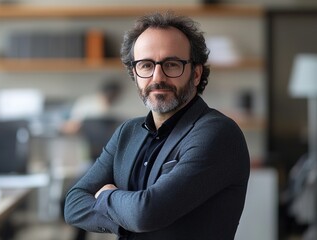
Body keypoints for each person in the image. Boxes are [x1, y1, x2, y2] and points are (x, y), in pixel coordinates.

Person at [63, 11, 250, 240]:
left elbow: (146, 213)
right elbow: (73, 204)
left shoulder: (218, 133)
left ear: (196, 73)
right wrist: (126, 218)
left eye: (171, 64)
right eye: (146, 65)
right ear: (134, 73)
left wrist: (106, 197)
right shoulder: (126, 133)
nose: (157, 77)